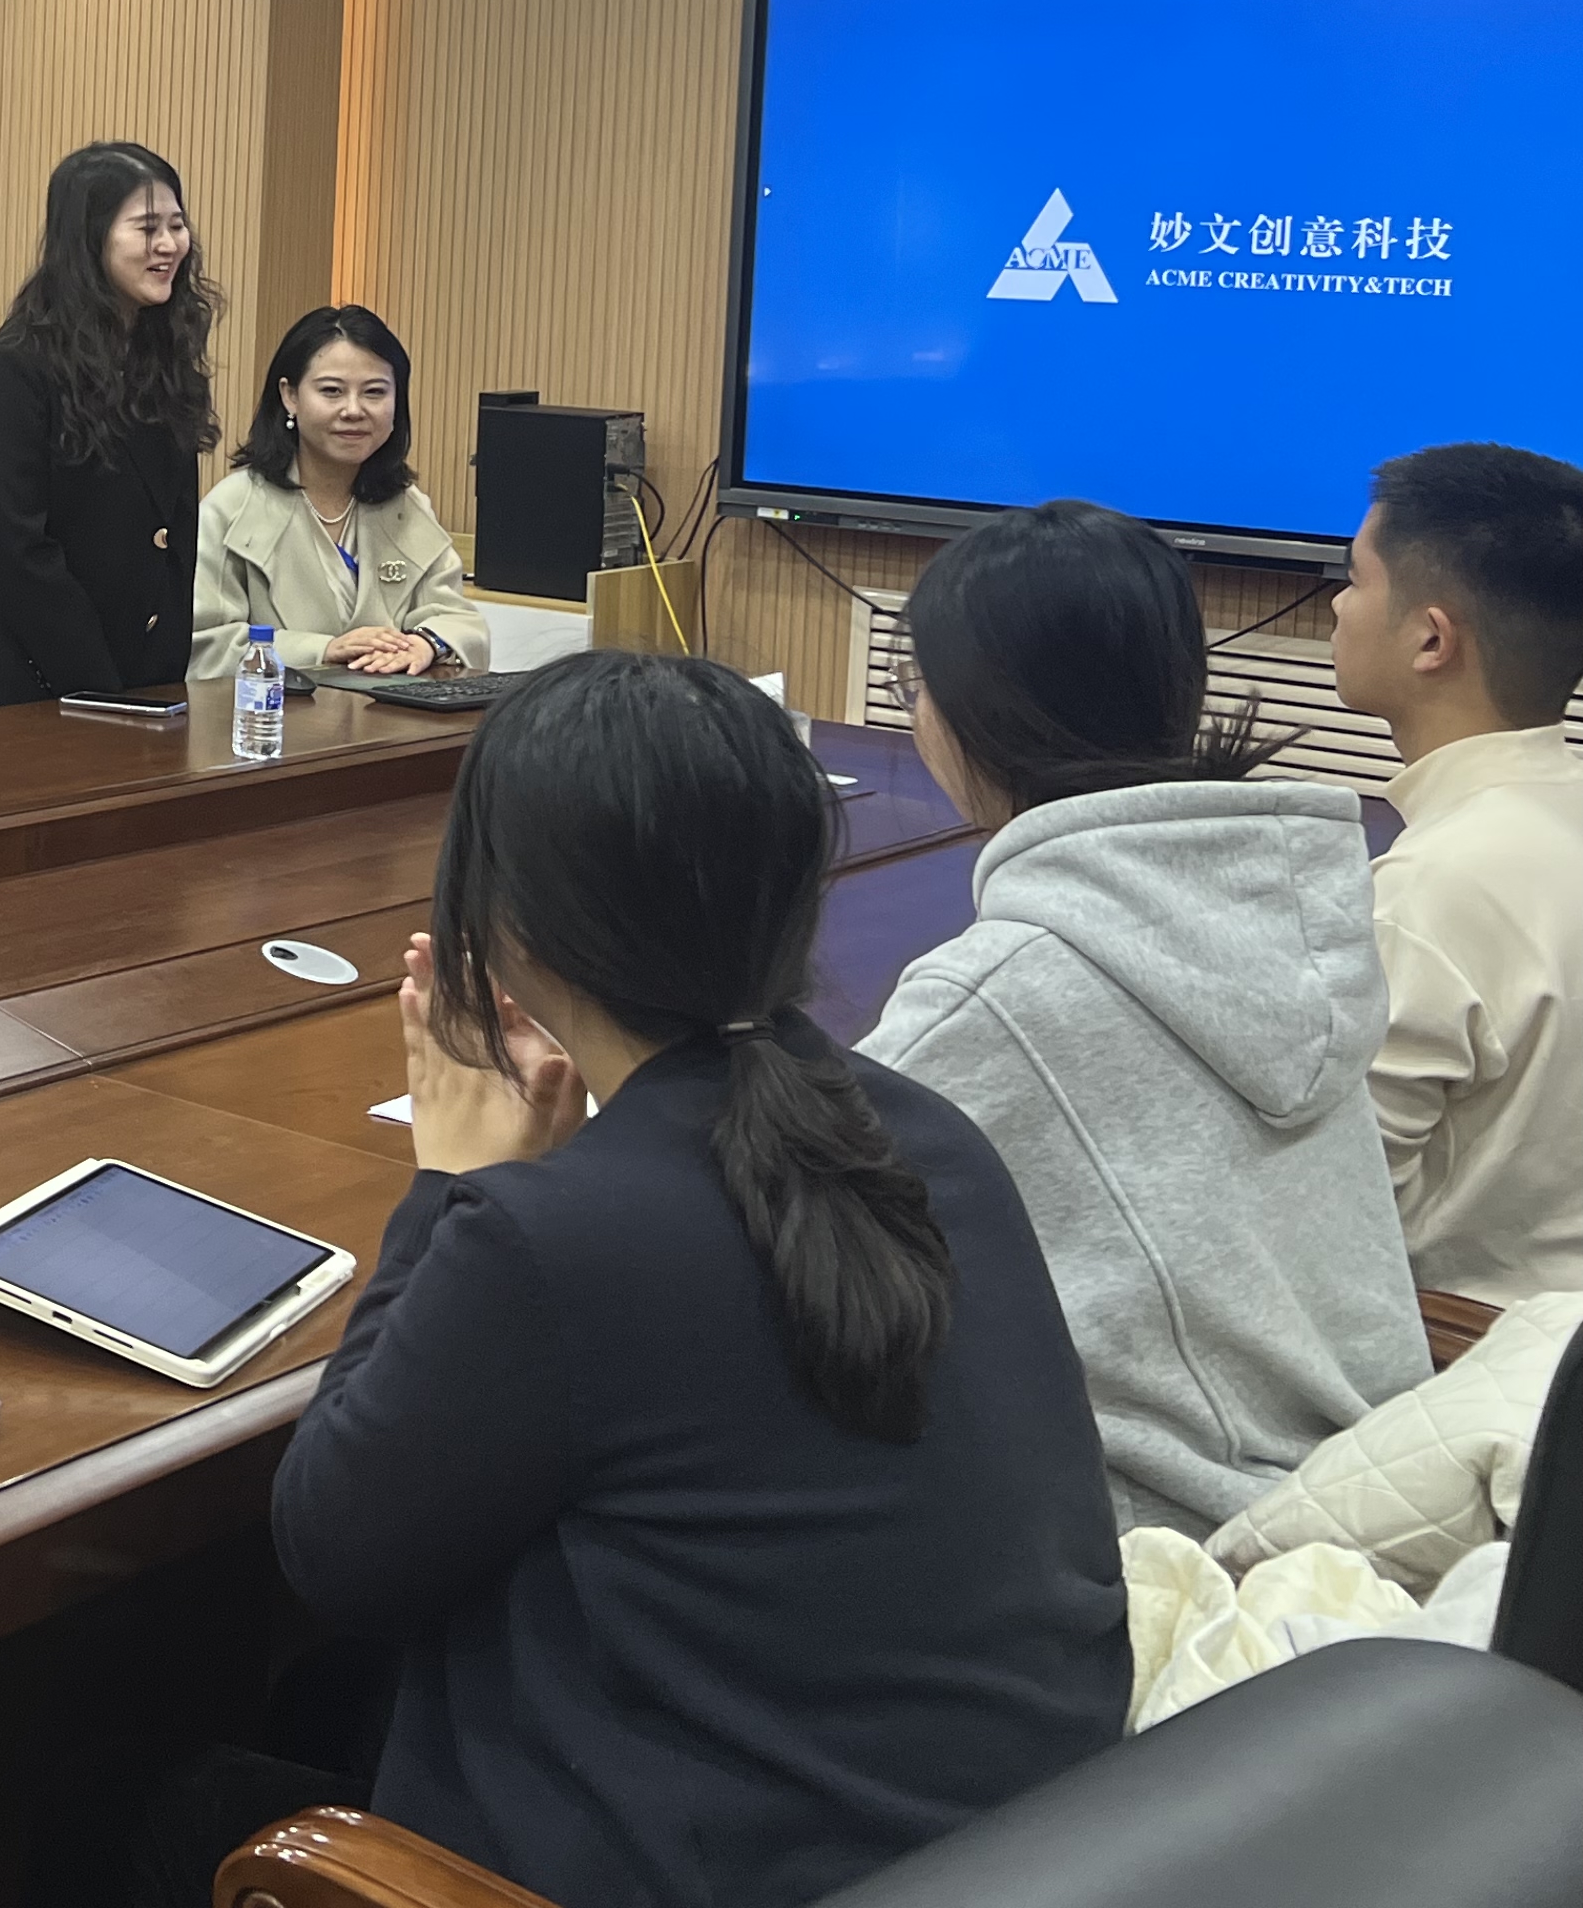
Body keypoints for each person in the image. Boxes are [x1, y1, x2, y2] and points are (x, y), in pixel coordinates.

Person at [175, 654, 1122, 1908]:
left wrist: (451, 1183)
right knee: (329, 1699)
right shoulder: (932, 1135)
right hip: (1010, 1851)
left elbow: (332, 1553)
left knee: (122, 1802)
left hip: (716, 1865)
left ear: (507, 926)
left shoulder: (550, 1241)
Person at [858, 498, 1428, 1532]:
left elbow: (787, 1234)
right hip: (1370, 1493)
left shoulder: (991, 995)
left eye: (916, 686)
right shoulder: (1286, 921)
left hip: (1175, 1548)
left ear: (975, 709)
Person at [1327, 442, 1583, 1304]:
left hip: (1463, 1347)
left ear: (1431, 638)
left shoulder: (1428, 891)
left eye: (1356, 579)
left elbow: (1337, 1212)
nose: (1338, 606)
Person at [0, 143, 213, 710]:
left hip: (146, 678)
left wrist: (163, 678)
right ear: (90, 240)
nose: (170, 245)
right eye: (147, 228)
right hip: (32, 681)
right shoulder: (16, 366)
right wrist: (97, 686)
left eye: (176, 225)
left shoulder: (162, 358)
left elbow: (174, 537)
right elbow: (15, 549)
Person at [190, 306, 484, 681]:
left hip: (391, 713)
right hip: (275, 713)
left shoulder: (407, 504)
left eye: (375, 392)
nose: (354, 410)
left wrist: (427, 643)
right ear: (290, 396)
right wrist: (322, 651)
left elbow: (457, 618)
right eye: (332, 391)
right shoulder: (231, 507)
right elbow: (205, 646)